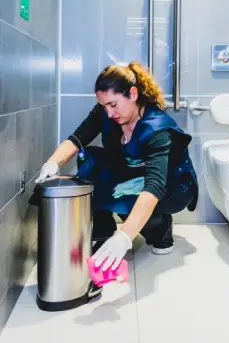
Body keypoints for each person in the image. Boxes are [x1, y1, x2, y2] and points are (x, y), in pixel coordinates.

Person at [36, 61, 198, 274]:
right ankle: (102, 231)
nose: (109, 113)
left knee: (131, 201)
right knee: (89, 159)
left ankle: (160, 229)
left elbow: (153, 188)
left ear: (132, 94)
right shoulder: (107, 112)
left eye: (113, 104)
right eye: (104, 106)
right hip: (136, 172)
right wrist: (52, 162)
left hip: (174, 186)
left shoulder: (157, 130)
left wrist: (124, 238)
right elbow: (77, 139)